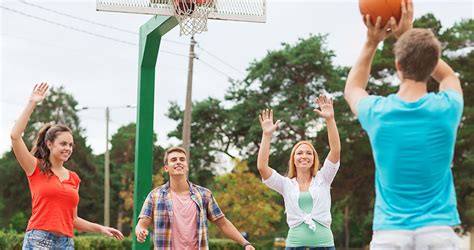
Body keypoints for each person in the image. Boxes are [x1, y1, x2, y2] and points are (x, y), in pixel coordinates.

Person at [344, 0, 463, 248]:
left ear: (398, 66)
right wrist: (406, 34)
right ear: (432, 67)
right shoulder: (447, 108)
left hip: (391, 235)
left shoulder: (378, 112)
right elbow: (449, 76)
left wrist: (372, 41)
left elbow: (353, 88)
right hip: (437, 233)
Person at [10, 82, 124, 249]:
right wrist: (32, 102)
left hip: (66, 243)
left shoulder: (74, 178)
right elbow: (15, 136)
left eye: (71, 145)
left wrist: (100, 228)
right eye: (63, 144)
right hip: (39, 239)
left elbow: (73, 219)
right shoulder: (34, 167)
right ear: (49, 144)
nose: (68, 148)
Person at [257, 95, 341, 250]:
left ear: (314, 159)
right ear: (293, 159)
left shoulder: (324, 178)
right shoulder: (285, 184)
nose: (304, 156)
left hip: (325, 246)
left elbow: (335, 150)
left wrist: (330, 119)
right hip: (295, 246)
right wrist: (267, 135)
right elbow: (262, 167)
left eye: (309, 153)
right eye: (299, 153)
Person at [134, 146, 255, 250]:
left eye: (182, 159)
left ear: (186, 166)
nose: (178, 162)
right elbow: (142, 224)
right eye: (173, 160)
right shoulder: (155, 195)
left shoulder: (204, 194)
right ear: (166, 168)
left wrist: (245, 243)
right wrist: (140, 231)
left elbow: (223, 223)